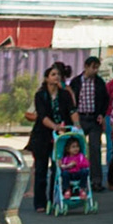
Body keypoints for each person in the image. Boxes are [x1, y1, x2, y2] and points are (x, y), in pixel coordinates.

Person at [29, 63, 76, 213]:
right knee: (41, 169)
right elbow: (42, 116)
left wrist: (77, 126)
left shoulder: (65, 95)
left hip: (61, 137)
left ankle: (56, 199)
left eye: (58, 75)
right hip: (43, 135)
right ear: (47, 78)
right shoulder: (40, 95)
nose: (56, 77)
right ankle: (40, 202)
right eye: (53, 74)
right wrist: (55, 126)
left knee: (58, 168)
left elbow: (72, 111)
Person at [69, 56, 109, 191]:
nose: (95, 70)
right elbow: (71, 100)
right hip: (79, 118)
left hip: (93, 119)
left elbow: (105, 99)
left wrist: (101, 115)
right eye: (93, 67)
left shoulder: (99, 82)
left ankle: (96, 180)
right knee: (75, 148)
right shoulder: (76, 82)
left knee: (95, 149)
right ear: (86, 67)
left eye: (97, 67)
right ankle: (74, 179)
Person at [56, 134, 91, 207]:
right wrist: (62, 165)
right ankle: (67, 189)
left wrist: (76, 164)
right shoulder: (65, 158)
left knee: (85, 171)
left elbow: (86, 164)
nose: (76, 149)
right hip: (69, 174)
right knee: (64, 173)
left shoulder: (81, 156)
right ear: (68, 149)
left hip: (78, 173)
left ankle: (82, 189)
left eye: (77, 146)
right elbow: (62, 167)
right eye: (73, 147)